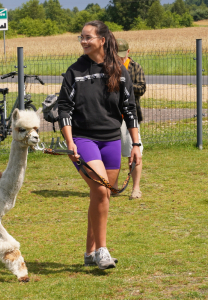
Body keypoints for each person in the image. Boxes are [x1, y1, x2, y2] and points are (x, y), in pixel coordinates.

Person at [57, 21, 142, 270]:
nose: (83, 41)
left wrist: (135, 143)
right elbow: (64, 108)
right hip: (83, 139)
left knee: (100, 194)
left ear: (102, 40)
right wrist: (70, 142)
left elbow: (130, 108)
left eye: (88, 37)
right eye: (81, 37)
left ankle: (89, 252)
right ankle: (103, 251)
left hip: (112, 139)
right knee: (102, 191)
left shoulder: (119, 70)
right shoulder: (74, 71)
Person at [114, 38, 146, 200]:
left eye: (121, 54)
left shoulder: (135, 67)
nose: (118, 57)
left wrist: (124, 84)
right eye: (115, 54)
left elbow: (141, 88)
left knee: (133, 153)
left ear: (128, 52)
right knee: (111, 153)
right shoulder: (108, 67)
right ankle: (112, 186)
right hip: (111, 117)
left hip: (129, 117)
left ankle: (136, 188)